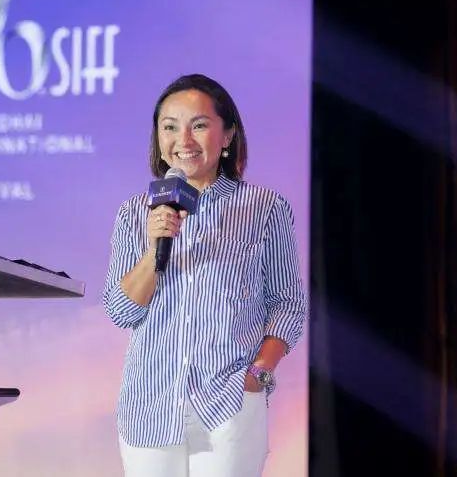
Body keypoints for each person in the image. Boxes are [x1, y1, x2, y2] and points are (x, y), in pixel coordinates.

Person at [103, 74, 306, 477]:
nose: (183, 140)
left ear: (227, 135)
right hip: (150, 407)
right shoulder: (135, 213)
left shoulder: (264, 208)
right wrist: (154, 248)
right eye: (170, 127)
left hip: (228, 402)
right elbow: (121, 311)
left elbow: (288, 305)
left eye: (198, 125)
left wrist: (258, 373)